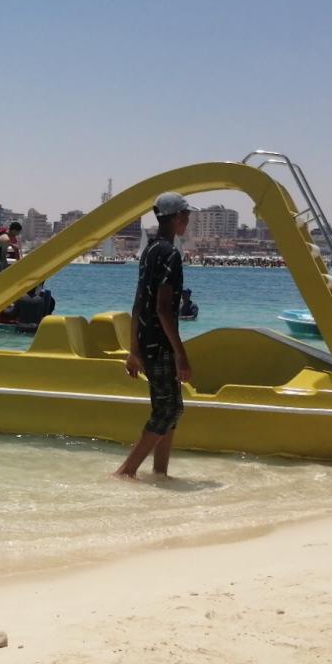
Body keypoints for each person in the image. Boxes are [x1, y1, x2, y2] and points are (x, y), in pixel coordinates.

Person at [114, 193, 192, 479]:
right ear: (174, 217)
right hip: (160, 345)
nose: (187, 221)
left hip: (148, 343)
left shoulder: (150, 251)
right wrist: (181, 354)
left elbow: (139, 303)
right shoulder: (170, 254)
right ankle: (125, 472)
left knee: (171, 409)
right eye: (185, 215)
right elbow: (162, 308)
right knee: (167, 411)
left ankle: (160, 473)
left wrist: (134, 350)